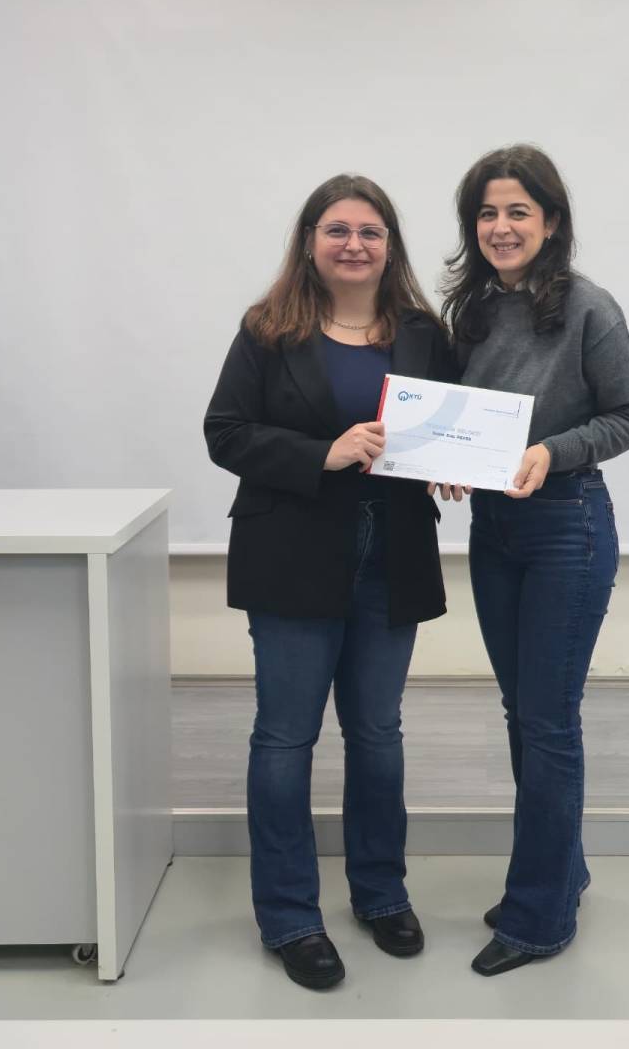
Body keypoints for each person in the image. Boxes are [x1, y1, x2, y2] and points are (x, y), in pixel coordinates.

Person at [204, 174, 454, 990]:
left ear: (391, 245)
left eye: (370, 231)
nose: (354, 244)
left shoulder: (423, 333)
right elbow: (225, 432)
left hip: (394, 554)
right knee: (286, 739)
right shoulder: (268, 329)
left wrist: (458, 466)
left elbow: (453, 426)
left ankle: (381, 895)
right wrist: (323, 453)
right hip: (291, 553)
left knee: (377, 734)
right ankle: (290, 917)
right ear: (310, 242)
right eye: (337, 230)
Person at [439, 145, 629, 976]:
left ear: (552, 221)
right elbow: (461, 418)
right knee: (522, 712)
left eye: (518, 212)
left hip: (567, 527)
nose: (501, 227)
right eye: (487, 213)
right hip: (492, 530)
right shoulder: (473, 311)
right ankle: (561, 872)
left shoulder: (590, 308)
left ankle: (539, 918)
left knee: (548, 721)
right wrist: (446, 461)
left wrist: (552, 452)